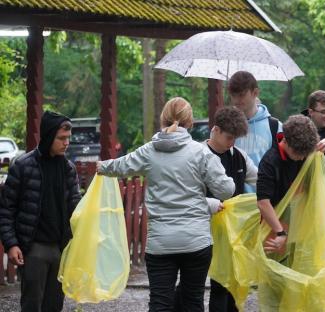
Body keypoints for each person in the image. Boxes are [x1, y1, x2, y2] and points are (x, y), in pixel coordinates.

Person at [97, 97, 235, 312]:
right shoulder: (201, 153)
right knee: (193, 302)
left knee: (160, 304)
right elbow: (226, 190)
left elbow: (118, 167)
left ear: (163, 119)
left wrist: (100, 166)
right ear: (190, 123)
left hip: (160, 243)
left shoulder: (148, 152)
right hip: (196, 241)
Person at [0, 111, 81, 311]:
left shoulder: (68, 169)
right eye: (61, 138)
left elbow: (76, 208)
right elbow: (6, 209)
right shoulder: (23, 166)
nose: (66, 143)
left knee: (54, 306)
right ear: (48, 136)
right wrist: (11, 244)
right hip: (33, 248)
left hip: (61, 248)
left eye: (68, 138)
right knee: (32, 305)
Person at [203, 106, 257, 312]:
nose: (232, 142)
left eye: (235, 138)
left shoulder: (239, 156)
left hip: (234, 235)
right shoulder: (198, 155)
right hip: (204, 233)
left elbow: (261, 179)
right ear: (215, 130)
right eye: (228, 137)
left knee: (231, 286)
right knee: (210, 286)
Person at [256, 115, 321, 253]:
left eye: (305, 154)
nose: (302, 157)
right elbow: (263, 202)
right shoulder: (270, 162)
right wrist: (280, 232)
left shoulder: (304, 149)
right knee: (275, 268)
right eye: (298, 153)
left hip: (298, 222)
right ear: (285, 141)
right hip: (273, 225)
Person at [227, 71, 282, 168]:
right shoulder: (226, 126)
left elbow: (286, 159)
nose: (236, 100)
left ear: (255, 92)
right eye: (233, 95)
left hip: (265, 182)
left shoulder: (275, 127)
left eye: (241, 95)